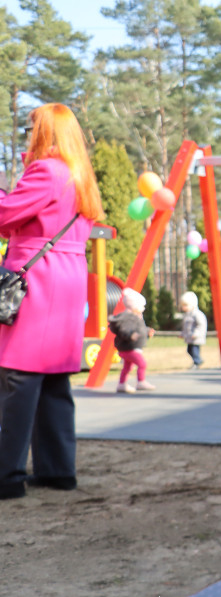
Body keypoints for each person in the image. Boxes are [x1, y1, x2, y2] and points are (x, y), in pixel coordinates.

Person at [0, 103, 101, 500]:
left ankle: (7, 475)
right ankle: (58, 471)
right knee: (54, 382)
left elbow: (4, 215)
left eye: (32, 129)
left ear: (45, 132)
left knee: (18, 381)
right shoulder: (79, 174)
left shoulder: (47, 170)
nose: (28, 134)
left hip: (38, 279)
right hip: (67, 279)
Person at [108, 288, 156, 393]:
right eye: (141, 306)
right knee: (142, 364)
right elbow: (124, 329)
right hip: (129, 348)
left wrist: (147, 331)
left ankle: (122, 384)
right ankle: (141, 381)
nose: (143, 309)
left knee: (127, 367)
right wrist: (130, 335)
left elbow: (139, 329)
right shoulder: (128, 317)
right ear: (134, 306)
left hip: (130, 347)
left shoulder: (135, 316)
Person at [179, 290, 207, 369]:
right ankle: (198, 360)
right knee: (189, 350)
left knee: (194, 351)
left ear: (192, 304)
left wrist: (196, 333)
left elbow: (201, 325)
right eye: (183, 305)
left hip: (196, 338)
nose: (183, 307)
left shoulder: (197, 314)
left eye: (186, 305)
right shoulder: (187, 315)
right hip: (190, 338)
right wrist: (183, 334)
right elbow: (186, 327)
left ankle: (197, 362)